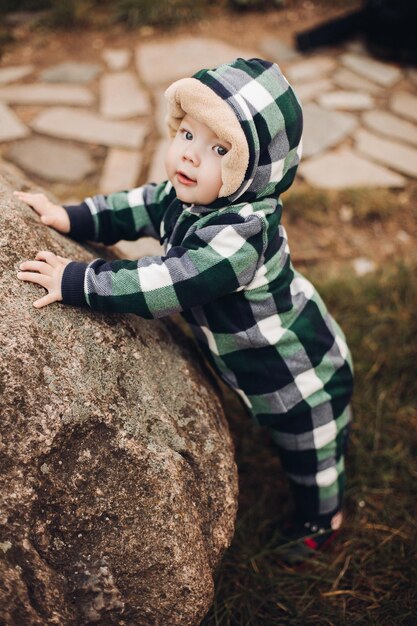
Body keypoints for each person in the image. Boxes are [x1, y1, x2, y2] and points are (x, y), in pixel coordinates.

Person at [15, 58, 353, 565]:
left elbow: (166, 284)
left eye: (219, 149)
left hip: (299, 373)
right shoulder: (192, 194)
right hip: (252, 363)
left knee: (309, 451)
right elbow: (140, 205)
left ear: (253, 170)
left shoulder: (241, 238)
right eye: (189, 134)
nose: (190, 157)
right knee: (281, 434)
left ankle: (322, 520)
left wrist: (79, 281)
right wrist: (72, 215)